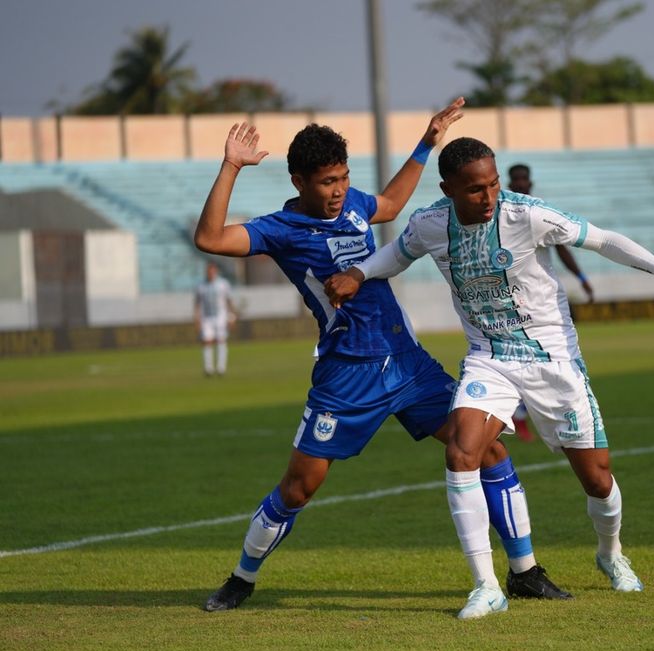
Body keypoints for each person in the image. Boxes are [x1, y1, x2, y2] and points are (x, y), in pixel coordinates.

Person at [324, 137, 654, 619]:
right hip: (488, 358)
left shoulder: (526, 214)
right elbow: (399, 253)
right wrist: (360, 272)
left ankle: (611, 553)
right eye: (475, 189)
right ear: (448, 188)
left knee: (597, 481)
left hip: (553, 361)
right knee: (461, 451)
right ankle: (487, 586)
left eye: (493, 184)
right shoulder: (431, 224)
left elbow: (602, 238)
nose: (490, 196)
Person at [193, 100, 571, 613]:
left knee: (487, 451)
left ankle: (525, 572)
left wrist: (427, 140)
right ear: (299, 180)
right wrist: (232, 165)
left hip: (406, 361)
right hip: (347, 375)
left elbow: (390, 204)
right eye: (327, 181)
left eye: (344, 178)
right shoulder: (278, 229)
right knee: (300, 487)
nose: (338, 191)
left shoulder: (352, 206)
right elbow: (210, 238)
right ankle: (242, 577)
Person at [506, 163, 594, 442]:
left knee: (537, 362)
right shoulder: (502, 211)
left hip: (538, 301)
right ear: (510, 182)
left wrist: (580, 276)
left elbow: (562, 249)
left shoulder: (537, 212)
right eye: (516, 180)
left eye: (524, 179)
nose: (520, 184)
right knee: (518, 361)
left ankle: (528, 417)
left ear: (530, 183)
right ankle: (517, 417)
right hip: (508, 299)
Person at [194, 262, 238, 376]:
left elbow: (229, 300)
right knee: (207, 341)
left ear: (216, 272)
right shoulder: (201, 286)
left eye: (212, 271)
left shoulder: (223, 284)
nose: (210, 273)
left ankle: (221, 368)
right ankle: (208, 368)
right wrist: (197, 318)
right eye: (209, 271)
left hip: (220, 316)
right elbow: (197, 304)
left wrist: (232, 316)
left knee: (221, 340)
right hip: (206, 317)